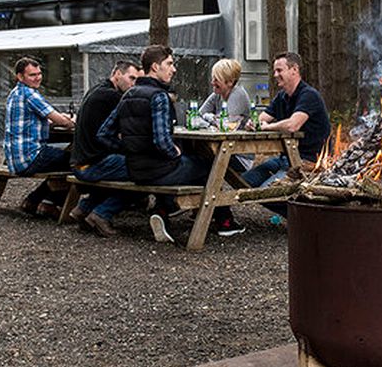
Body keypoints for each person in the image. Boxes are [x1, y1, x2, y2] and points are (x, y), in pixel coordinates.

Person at [98, 45, 242, 241]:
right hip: (159, 170)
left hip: (135, 169)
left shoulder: (128, 94)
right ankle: (224, 223)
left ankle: (165, 214)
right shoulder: (159, 96)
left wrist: (130, 150)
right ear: (155, 67)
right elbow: (161, 140)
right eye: (169, 64)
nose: (174, 69)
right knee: (211, 167)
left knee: (193, 167)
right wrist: (175, 153)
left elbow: (104, 134)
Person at [69, 59, 141, 238]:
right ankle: (101, 214)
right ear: (117, 74)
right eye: (131, 78)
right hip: (92, 164)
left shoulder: (96, 90)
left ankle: (84, 209)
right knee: (145, 170)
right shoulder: (112, 97)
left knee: (126, 168)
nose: (133, 84)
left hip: (79, 162)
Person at [244, 51, 332, 188]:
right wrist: (253, 123)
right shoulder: (281, 97)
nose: (275, 75)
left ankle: (296, 210)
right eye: (274, 71)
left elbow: (293, 125)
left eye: (279, 70)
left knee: (265, 193)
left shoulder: (309, 95)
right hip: (285, 158)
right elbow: (261, 118)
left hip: (308, 162)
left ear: (294, 70)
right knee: (245, 181)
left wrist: (267, 127)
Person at [3, 56, 76, 214]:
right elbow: (62, 122)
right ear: (20, 76)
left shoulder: (15, 93)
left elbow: (37, 119)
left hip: (15, 158)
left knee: (60, 157)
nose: (38, 78)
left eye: (39, 73)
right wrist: (74, 121)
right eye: (32, 75)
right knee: (76, 160)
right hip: (30, 157)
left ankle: (33, 200)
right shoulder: (30, 94)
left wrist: (55, 119)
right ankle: (50, 203)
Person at [196, 58, 253, 130]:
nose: (212, 83)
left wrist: (207, 116)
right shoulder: (217, 95)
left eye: (216, 80)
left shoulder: (238, 94)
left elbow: (224, 123)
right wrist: (209, 125)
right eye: (213, 79)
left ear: (230, 82)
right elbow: (195, 118)